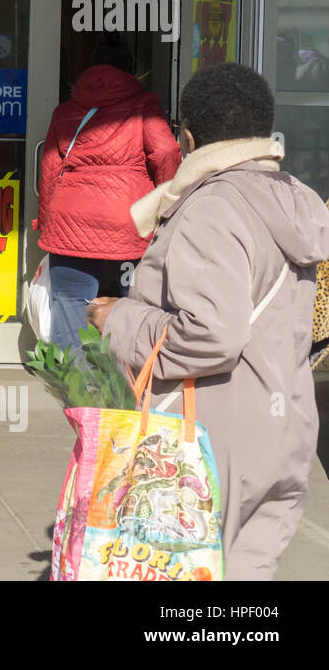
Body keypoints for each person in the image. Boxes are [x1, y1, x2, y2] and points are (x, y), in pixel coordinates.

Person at [88, 62, 329, 579]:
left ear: (189, 137)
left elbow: (211, 333)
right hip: (286, 428)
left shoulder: (213, 207)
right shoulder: (298, 200)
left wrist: (120, 318)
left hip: (210, 439)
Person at [37, 36, 181, 355]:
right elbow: (167, 151)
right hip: (129, 220)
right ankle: (125, 388)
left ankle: (75, 395)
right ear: (131, 70)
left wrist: (47, 221)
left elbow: (49, 168)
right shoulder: (144, 106)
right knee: (134, 304)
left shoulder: (67, 110)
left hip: (71, 221)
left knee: (71, 304)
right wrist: (167, 208)